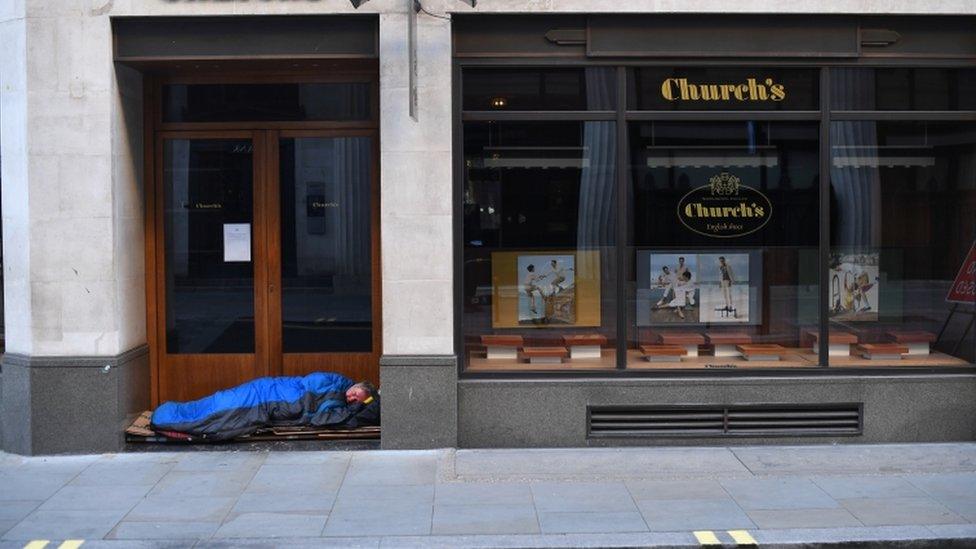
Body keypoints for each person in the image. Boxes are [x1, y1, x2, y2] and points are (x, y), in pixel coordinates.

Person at [150, 372, 380, 441]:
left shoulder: (342, 403)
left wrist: (359, 405)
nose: (352, 398)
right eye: (356, 394)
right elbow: (312, 394)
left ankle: (168, 414)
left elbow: (321, 418)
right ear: (358, 385)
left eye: (356, 401)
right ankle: (166, 416)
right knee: (217, 408)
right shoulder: (335, 383)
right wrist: (356, 406)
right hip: (263, 396)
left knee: (219, 417)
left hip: (264, 401)